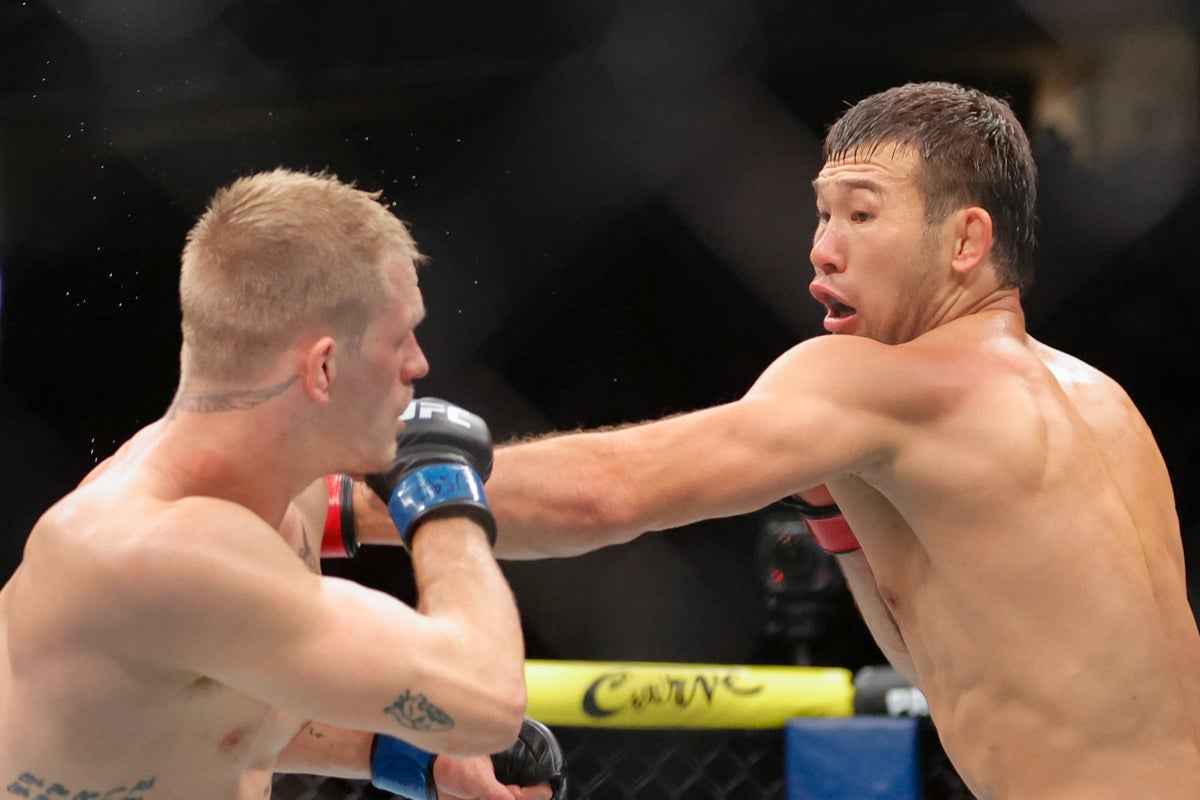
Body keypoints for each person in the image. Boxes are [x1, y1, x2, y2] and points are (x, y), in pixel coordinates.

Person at [472, 82, 1200, 798]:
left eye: (860, 213)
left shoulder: (885, 384)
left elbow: (608, 494)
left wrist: (381, 490)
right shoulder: (1105, 403)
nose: (822, 250)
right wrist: (838, 517)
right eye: (822, 214)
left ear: (966, 240)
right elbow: (954, 665)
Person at [0, 169, 559, 800]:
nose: (418, 364)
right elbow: (484, 700)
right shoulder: (162, 551)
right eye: (399, 335)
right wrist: (443, 498)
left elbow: (216, 721)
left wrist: (405, 757)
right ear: (323, 366)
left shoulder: (261, 509)